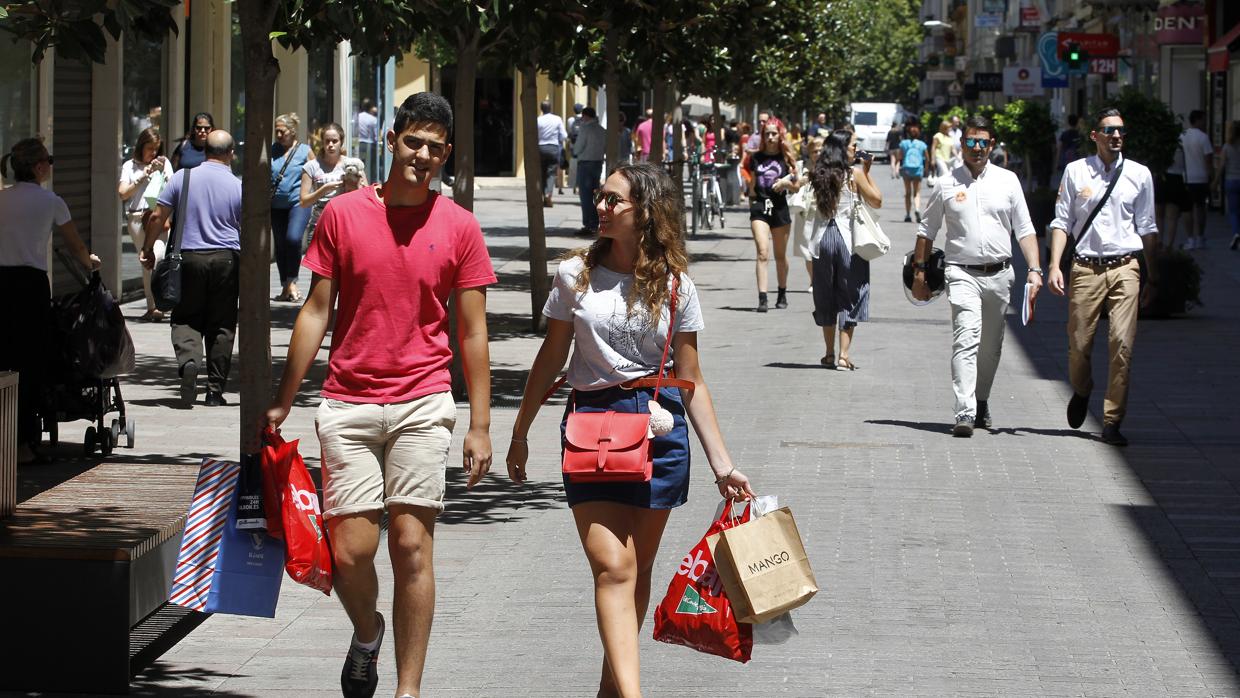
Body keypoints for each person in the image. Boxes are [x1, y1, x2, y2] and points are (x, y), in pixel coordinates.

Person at [264, 92, 495, 698]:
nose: (422, 156)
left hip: (423, 399)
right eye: (414, 142)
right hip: (349, 400)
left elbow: (472, 332)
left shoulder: (460, 227)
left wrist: (480, 424)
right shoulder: (342, 215)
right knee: (349, 550)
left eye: (435, 148)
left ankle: (407, 690)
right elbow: (316, 311)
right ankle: (368, 633)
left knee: (411, 543)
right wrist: (286, 396)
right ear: (392, 140)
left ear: (447, 156)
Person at [504, 162, 756, 698]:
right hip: (593, 428)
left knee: (635, 571)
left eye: (614, 200)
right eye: (600, 197)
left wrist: (723, 464)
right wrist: (520, 430)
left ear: (645, 212)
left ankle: (610, 692)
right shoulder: (575, 274)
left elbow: (691, 380)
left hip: (660, 430)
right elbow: (551, 356)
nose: (601, 207)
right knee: (613, 566)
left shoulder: (676, 285)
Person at [913, 115, 1042, 437]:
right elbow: (926, 230)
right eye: (971, 142)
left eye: (983, 142)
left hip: (1000, 274)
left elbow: (1024, 229)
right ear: (962, 144)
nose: (977, 148)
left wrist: (1036, 269)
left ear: (992, 145)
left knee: (991, 348)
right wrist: (919, 272)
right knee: (966, 339)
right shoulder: (946, 183)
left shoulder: (1008, 181)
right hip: (960, 273)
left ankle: (981, 401)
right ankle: (965, 411)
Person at [1048, 108, 1160, 447]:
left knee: (1122, 346)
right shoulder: (1076, 171)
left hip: (1126, 267)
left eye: (1121, 131)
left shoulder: (1139, 175)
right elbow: (1061, 222)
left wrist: (1152, 276)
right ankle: (1082, 390)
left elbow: (1148, 228)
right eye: (1108, 130)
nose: (1116, 136)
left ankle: (1112, 420)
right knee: (1079, 344)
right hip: (1085, 268)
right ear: (1094, 135)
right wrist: (1054, 265)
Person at [0, 138, 101, 463]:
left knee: (3, 358)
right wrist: (91, 263)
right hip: (30, 287)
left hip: (1, 282)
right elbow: (75, 246)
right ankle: (23, 444)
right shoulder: (51, 201)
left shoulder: (2, 199)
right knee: (29, 363)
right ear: (39, 166)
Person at [142, 130, 242, 408]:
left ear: (205, 151)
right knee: (221, 324)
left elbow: (157, 215)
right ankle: (214, 391)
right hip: (227, 260)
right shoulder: (238, 185)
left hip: (188, 258)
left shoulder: (181, 178)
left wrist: (148, 248)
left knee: (185, 317)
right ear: (230, 153)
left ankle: (188, 361)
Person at [809, 130, 882, 371]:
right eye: (853, 145)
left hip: (822, 240)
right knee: (851, 294)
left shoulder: (818, 173)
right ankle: (843, 355)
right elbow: (877, 200)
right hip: (848, 239)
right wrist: (868, 172)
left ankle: (828, 353)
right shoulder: (854, 174)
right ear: (842, 148)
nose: (856, 149)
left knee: (825, 295)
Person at [118, 127, 174, 322]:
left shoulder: (164, 162)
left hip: (158, 218)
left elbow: (173, 188)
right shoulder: (129, 166)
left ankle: (159, 304)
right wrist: (143, 175)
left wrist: (163, 174)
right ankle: (152, 307)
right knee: (146, 263)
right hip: (136, 217)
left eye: (156, 149)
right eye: (150, 148)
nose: (153, 153)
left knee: (157, 256)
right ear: (141, 147)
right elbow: (123, 193)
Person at [745, 119, 799, 312]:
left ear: (780, 135)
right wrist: (750, 200)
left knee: (780, 255)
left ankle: (782, 292)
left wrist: (785, 184)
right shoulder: (756, 157)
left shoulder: (786, 158)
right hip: (760, 206)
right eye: (766, 133)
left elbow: (797, 185)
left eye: (773, 133)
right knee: (762, 252)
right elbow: (752, 184)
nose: (770, 137)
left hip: (779, 207)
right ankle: (762, 298)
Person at [270, 112, 316, 303]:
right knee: (280, 245)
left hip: (299, 202)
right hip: (276, 204)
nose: (279, 135)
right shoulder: (272, 150)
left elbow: (315, 173)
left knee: (293, 238)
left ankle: (293, 281)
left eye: (282, 131)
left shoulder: (305, 151)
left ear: (292, 131)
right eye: (276, 131)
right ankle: (285, 286)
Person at [301, 122, 367, 249]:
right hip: (319, 225)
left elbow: (367, 196)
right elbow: (304, 202)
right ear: (322, 142)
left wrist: (357, 187)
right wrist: (324, 189)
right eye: (327, 141)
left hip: (346, 225)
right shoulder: (311, 166)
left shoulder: (352, 165)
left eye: (334, 141)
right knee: (319, 269)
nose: (330, 145)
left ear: (341, 142)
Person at [791, 136, 825, 290]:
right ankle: (813, 280)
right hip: (806, 213)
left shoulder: (830, 167)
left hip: (824, 212)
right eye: (814, 151)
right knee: (807, 250)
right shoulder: (801, 167)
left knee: (822, 248)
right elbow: (792, 184)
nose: (817, 153)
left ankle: (822, 279)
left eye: (820, 150)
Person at [1179, 110, 1214, 250]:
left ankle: (1190, 239)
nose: (1205, 122)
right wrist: (1212, 178)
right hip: (1201, 178)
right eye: (1204, 119)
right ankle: (1200, 237)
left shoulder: (1182, 136)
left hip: (1186, 178)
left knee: (1187, 210)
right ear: (1198, 120)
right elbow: (1208, 161)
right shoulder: (1204, 138)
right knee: (1201, 208)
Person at [573, 107, 606, 236]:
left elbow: (578, 147)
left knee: (585, 195)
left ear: (586, 116)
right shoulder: (602, 130)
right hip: (598, 163)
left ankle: (589, 224)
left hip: (585, 163)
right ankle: (595, 221)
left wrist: (574, 152)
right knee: (595, 194)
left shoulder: (585, 129)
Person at [1212, 120, 1240, 251]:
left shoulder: (1227, 147)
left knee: (1233, 211)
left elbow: (1222, 166)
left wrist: (1215, 181)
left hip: (1231, 180)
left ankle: (1236, 233)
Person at [537, 100, 567, 208]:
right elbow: (564, 135)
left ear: (541, 109)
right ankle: (548, 194)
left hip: (540, 148)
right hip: (553, 148)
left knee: (541, 173)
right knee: (551, 173)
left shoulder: (538, 120)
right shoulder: (557, 119)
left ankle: (540, 195)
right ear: (550, 108)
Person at [899, 120, 928, 223]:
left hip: (907, 169)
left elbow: (900, 157)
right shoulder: (922, 144)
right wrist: (926, 170)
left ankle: (907, 215)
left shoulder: (903, 143)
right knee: (916, 193)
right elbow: (926, 158)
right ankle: (917, 209)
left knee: (908, 193)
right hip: (917, 169)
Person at [356, 98, 380, 183]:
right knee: (370, 166)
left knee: (360, 164)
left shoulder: (358, 116)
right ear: (370, 108)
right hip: (370, 143)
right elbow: (375, 134)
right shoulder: (373, 119)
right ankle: (369, 182)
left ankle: (360, 181)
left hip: (360, 142)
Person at [1055, 114, 1082, 179]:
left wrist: (1057, 162)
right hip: (1077, 161)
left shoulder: (1064, 134)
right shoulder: (1080, 135)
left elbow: (1059, 148)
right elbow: (1082, 150)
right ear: (1077, 122)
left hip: (1065, 161)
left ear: (1068, 122)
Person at [930, 120, 954, 187]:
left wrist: (958, 157)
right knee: (945, 172)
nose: (950, 129)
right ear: (944, 128)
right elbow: (933, 147)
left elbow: (953, 149)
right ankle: (946, 187)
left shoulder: (950, 137)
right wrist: (932, 159)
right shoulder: (938, 135)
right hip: (939, 157)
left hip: (947, 158)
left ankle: (939, 188)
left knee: (942, 175)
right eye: (949, 127)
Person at [567, 103, 584, 194]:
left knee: (574, 165)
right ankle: (579, 185)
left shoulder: (570, 120)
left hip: (573, 145)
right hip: (583, 146)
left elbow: (569, 132)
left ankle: (574, 185)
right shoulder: (584, 120)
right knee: (581, 166)